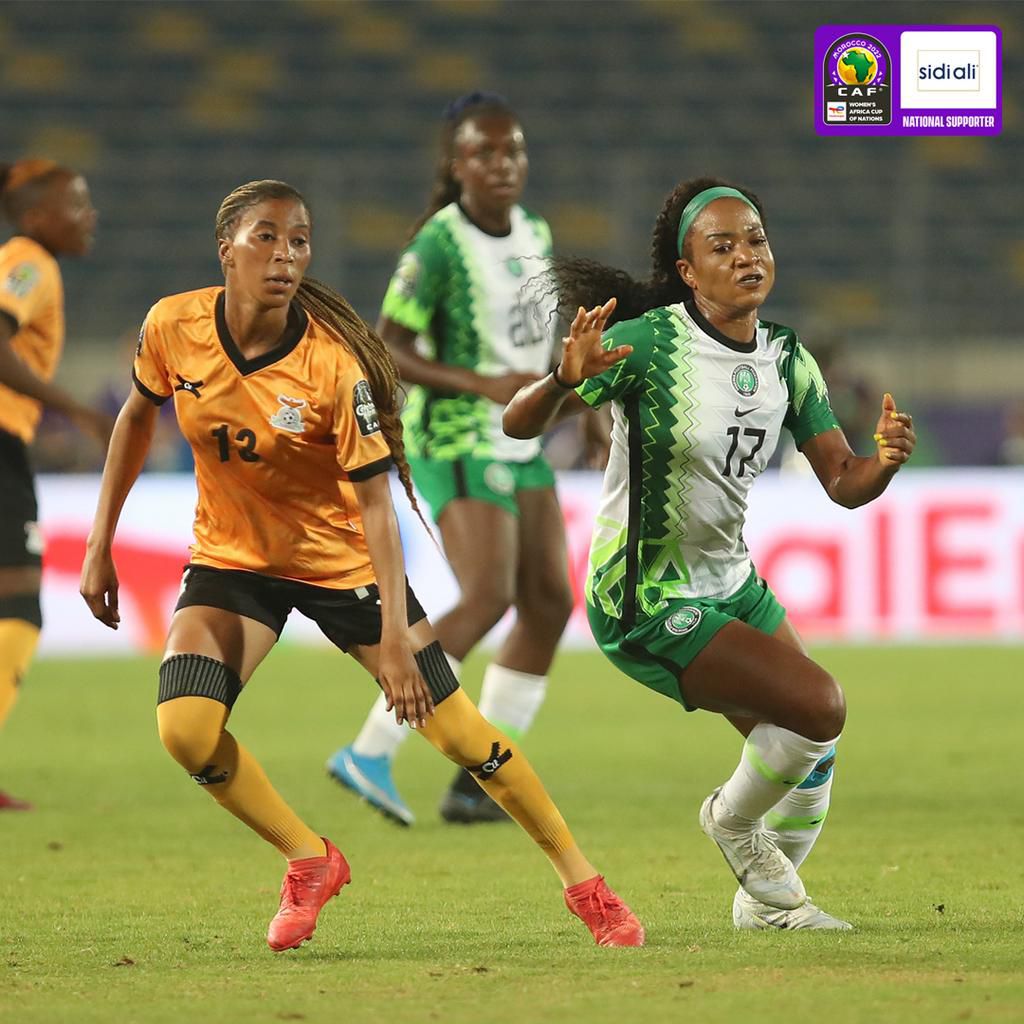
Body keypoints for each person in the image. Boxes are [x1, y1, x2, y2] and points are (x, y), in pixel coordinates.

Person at [79, 179, 643, 951]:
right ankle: (309, 859)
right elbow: (136, 418)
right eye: (267, 238)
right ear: (226, 250)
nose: (286, 256)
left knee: (462, 738)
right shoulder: (171, 326)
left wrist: (400, 644)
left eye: (300, 241)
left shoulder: (331, 367)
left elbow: (376, 506)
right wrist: (97, 543)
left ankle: (588, 887)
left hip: (345, 565)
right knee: (185, 731)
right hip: (233, 561)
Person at [502, 178, 917, 930]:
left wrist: (884, 462)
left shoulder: (788, 358)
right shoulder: (651, 343)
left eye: (754, 239)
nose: (745, 256)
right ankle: (730, 823)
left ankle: (768, 913)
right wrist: (564, 376)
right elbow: (517, 423)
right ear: (688, 272)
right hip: (647, 597)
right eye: (720, 246)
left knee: (811, 750)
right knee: (820, 706)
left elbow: (843, 482)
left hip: (731, 581)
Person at [327, 93, 602, 826]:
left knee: (549, 600)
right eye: (484, 152)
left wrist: (584, 403)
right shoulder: (438, 245)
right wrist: (480, 383)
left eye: (512, 150)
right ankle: (369, 750)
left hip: (522, 432)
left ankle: (482, 779)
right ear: (458, 166)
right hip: (452, 435)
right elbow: (386, 344)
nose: (502, 164)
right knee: (487, 595)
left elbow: (537, 344)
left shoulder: (536, 231)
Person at [0, 159, 109, 810]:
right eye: (77, 202)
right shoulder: (28, 261)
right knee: (18, 608)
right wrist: (79, 409)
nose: (89, 214)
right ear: (39, 215)